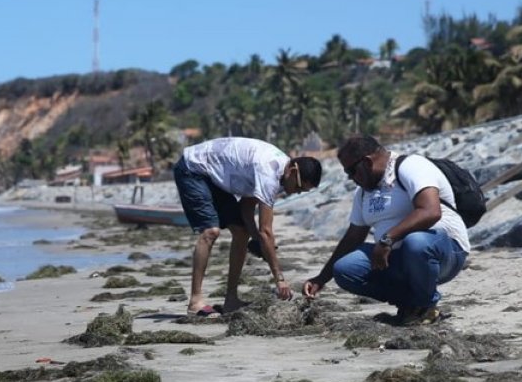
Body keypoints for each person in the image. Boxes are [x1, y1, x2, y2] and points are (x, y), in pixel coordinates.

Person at [302, 134, 469, 325]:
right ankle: (409, 305)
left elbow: (431, 211)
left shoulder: (410, 166)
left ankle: (426, 306)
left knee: (416, 243)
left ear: (366, 162)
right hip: (398, 259)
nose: (351, 178)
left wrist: (387, 239)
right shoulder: (364, 192)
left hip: (444, 251)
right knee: (345, 268)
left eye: (351, 171)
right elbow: (353, 237)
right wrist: (320, 279)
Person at [172, 137, 323, 316]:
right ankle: (195, 301)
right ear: (292, 170)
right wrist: (279, 279)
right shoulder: (269, 172)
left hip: (213, 176)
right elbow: (266, 231)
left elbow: (246, 207)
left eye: (302, 192)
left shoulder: (279, 171)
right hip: (193, 168)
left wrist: (256, 240)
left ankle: (231, 300)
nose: (296, 192)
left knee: (242, 232)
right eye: (298, 187)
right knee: (210, 231)